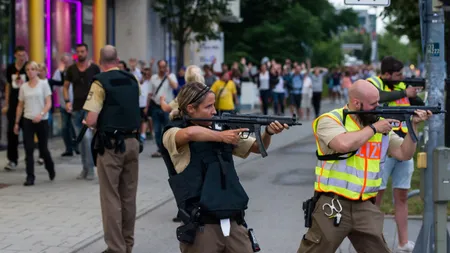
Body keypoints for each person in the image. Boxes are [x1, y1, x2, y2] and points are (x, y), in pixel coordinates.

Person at [297, 80, 432, 253]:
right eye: (373, 104)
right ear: (356, 103)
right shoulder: (330, 120)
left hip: (365, 205)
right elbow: (343, 144)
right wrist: (374, 128)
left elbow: (403, 154)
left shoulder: (378, 123)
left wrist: (413, 126)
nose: (378, 107)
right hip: (333, 203)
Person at [161, 81, 290, 253]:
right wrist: (221, 136)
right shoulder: (173, 132)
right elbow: (190, 133)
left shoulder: (220, 129)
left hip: (234, 223)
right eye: (208, 107)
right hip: (202, 227)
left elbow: (258, 148)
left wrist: (268, 133)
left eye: (214, 105)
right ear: (191, 108)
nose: (214, 111)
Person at [82, 45, 141, 253]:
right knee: (128, 197)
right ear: (117, 60)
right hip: (133, 143)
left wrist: (88, 122)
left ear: (100, 61)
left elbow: (91, 119)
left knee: (111, 197)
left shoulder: (99, 82)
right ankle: (128, 244)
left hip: (111, 147)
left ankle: (116, 248)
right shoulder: (133, 79)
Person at [367, 56, 424, 252]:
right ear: (387, 74)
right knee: (376, 199)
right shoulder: (373, 83)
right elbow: (378, 97)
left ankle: (403, 243)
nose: (402, 78)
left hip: (404, 144)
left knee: (402, 196)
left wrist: (414, 95)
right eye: (397, 75)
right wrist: (404, 91)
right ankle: (373, 243)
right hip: (382, 147)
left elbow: (418, 103)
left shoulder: (401, 85)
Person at [13, 61, 55, 186]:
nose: (30, 71)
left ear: (37, 71)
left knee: (43, 149)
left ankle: (50, 167)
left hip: (42, 120)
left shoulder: (44, 84)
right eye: (28, 69)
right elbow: (20, 105)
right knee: (29, 149)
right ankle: (30, 176)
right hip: (28, 119)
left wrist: (41, 114)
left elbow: (49, 103)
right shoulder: (23, 87)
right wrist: (16, 122)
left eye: (32, 69)